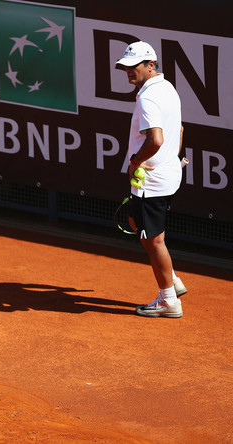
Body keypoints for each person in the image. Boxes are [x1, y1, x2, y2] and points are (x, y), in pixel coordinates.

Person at [116, 41, 188, 318]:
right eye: (125, 67)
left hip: (151, 180)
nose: (128, 72)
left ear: (150, 65)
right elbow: (178, 129)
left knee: (155, 240)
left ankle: (168, 300)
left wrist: (136, 162)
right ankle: (172, 278)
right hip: (169, 173)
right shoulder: (167, 88)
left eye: (134, 66)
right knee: (137, 223)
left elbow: (155, 140)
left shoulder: (148, 97)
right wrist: (172, 156)